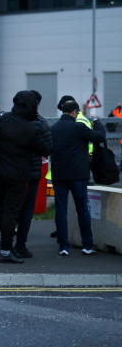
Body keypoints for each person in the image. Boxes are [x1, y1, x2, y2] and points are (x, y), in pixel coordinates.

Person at [0, 91, 52, 264]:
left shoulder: (2, 120)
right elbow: (46, 149)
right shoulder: (32, 128)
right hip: (19, 175)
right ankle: (5, 251)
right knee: (10, 213)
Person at [50, 97, 105, 256]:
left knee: (60, 210)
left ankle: (63, 247)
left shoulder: (53, 129)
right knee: (82, 210)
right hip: (78, 176)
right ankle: (87, 245)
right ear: (75, 112)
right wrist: (97, 122)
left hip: (59, 175)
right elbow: (99, 137)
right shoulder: (79, 127)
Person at [13, 91, 51, 258]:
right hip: (32, 171)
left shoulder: (8, 120)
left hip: (11, 170)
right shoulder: (40, 122)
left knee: (9, 208)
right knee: (27, 209)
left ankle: (2, 244)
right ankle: (20, 245)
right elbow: (48, 148)